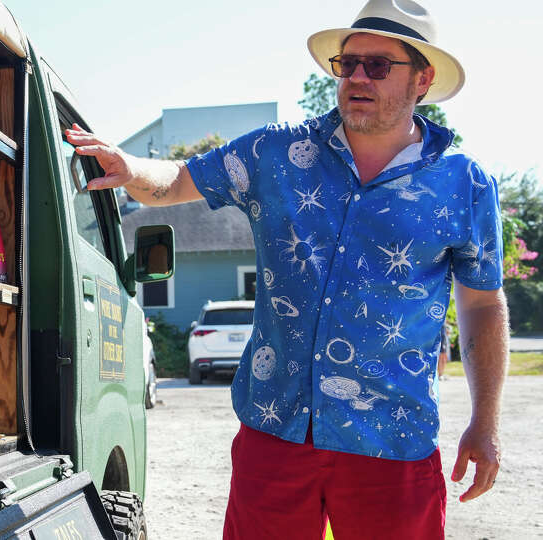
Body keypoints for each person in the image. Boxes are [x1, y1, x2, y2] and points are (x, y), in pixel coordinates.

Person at [65, 1, 509, 537]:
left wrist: (485, 423)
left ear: (423, 78)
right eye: (348, 64)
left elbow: (483, 304)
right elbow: (179, 179)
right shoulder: (276, 152)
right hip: (275, 431)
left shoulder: (464, 184)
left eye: (378, 66)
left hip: (391, 440)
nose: (356, 78)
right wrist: (129, 165)